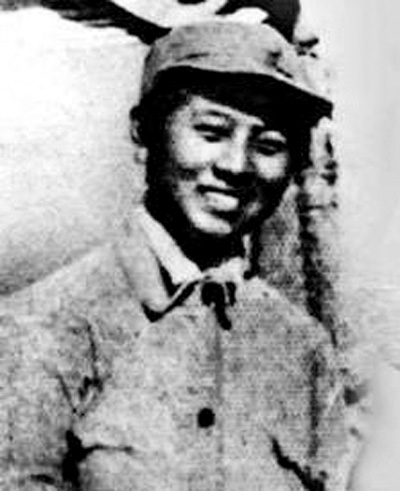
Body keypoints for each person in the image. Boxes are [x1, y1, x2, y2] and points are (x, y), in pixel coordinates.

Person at [0, 20, 348, 490]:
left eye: (269, 146)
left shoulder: (302, 347)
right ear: (145, 132)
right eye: (211, 132)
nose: (235, 165)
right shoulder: (41, 327)